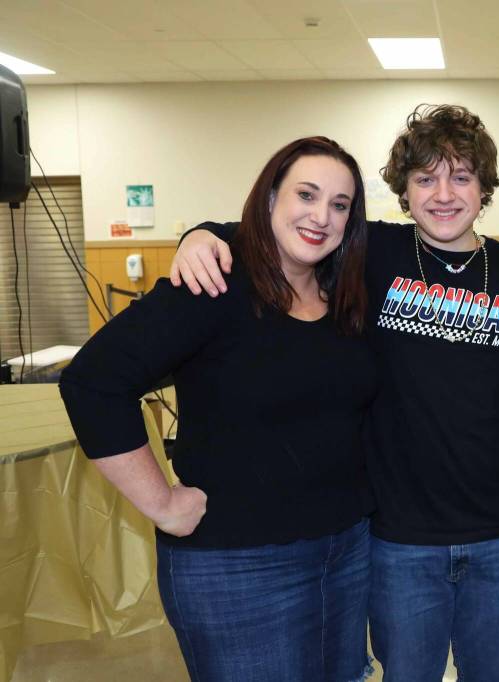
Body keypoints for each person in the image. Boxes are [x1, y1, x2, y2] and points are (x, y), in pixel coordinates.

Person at [169, 105, 499, 681]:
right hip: (399, 543)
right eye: (425, 178)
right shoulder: (368, 255)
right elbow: (288, 235)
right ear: (403, 189)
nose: (443, 194)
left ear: (484, 188)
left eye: (461, 177)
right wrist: (203, 235)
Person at [59, 137, 377, 681]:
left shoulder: (345, 296)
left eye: (340, 204)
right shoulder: (213, 286)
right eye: (306, 194)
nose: (321, 215)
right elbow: (92, 382)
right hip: (236, 568)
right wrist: (160, 502)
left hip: (345, 555)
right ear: (271, 197)